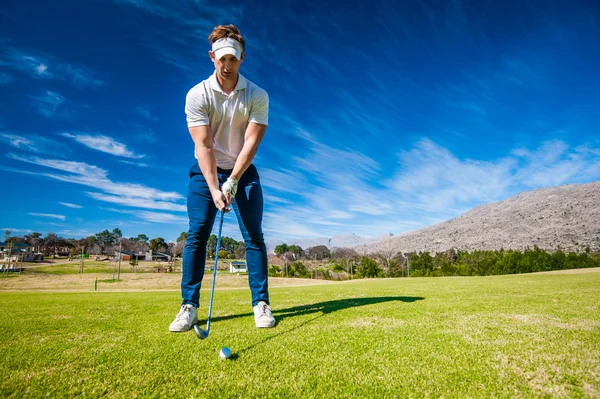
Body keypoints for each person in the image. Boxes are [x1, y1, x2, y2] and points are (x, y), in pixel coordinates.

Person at [169, 24, 275, 332]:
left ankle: (261, 304)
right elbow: (203, 146)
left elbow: (252, 143)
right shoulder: (197, 95)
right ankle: (188, 305)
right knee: (198, 233)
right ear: (212, 56)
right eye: (221, 59)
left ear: (242, 58)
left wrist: (234, 180)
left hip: (243, 169)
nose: (227, 66)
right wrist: (216, 187)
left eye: (233, 59)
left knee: (253, 236)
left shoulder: (257, 95)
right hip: (206, 172)